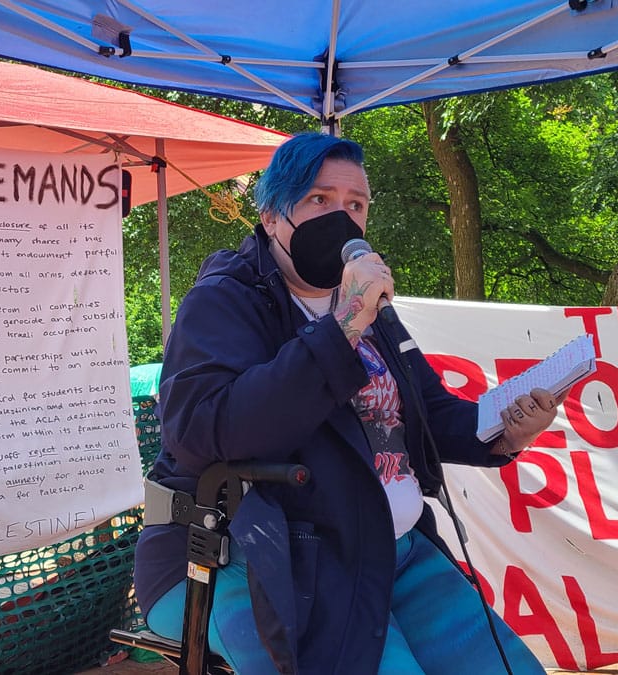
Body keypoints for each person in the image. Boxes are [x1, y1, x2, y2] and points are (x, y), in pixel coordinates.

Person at [133, 132, 566, 674]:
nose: (341, 216)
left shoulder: (366, 308)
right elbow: (204, 431)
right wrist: (343, 328)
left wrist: (507, 431)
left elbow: (430, 414)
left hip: (388, 550)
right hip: (259, 555)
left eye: (355, 204)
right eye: (319, 199)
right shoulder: (224, 299)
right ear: (271, 216)